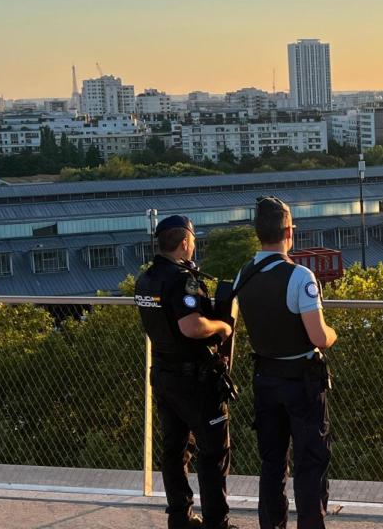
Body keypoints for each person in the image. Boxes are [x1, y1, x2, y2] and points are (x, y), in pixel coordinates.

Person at [235, 196, 338, 529]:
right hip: (301, 382)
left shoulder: (244, 274)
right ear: (290, 231)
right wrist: (333, 333)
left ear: (258, 233)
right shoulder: (299, 276)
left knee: (272, 464)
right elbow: (318, 337)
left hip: (264, 377)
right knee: (310, 462)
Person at [133, 215, 236, 529]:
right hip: (194, 379)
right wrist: (222, 326)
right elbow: (191, 326)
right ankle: (216, 522)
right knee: (213, 450)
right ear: (184, 243)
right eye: (192, 241)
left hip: (163, 373)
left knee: (175, 448)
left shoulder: (146, 280)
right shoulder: (182, 279)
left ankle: (180, 516)